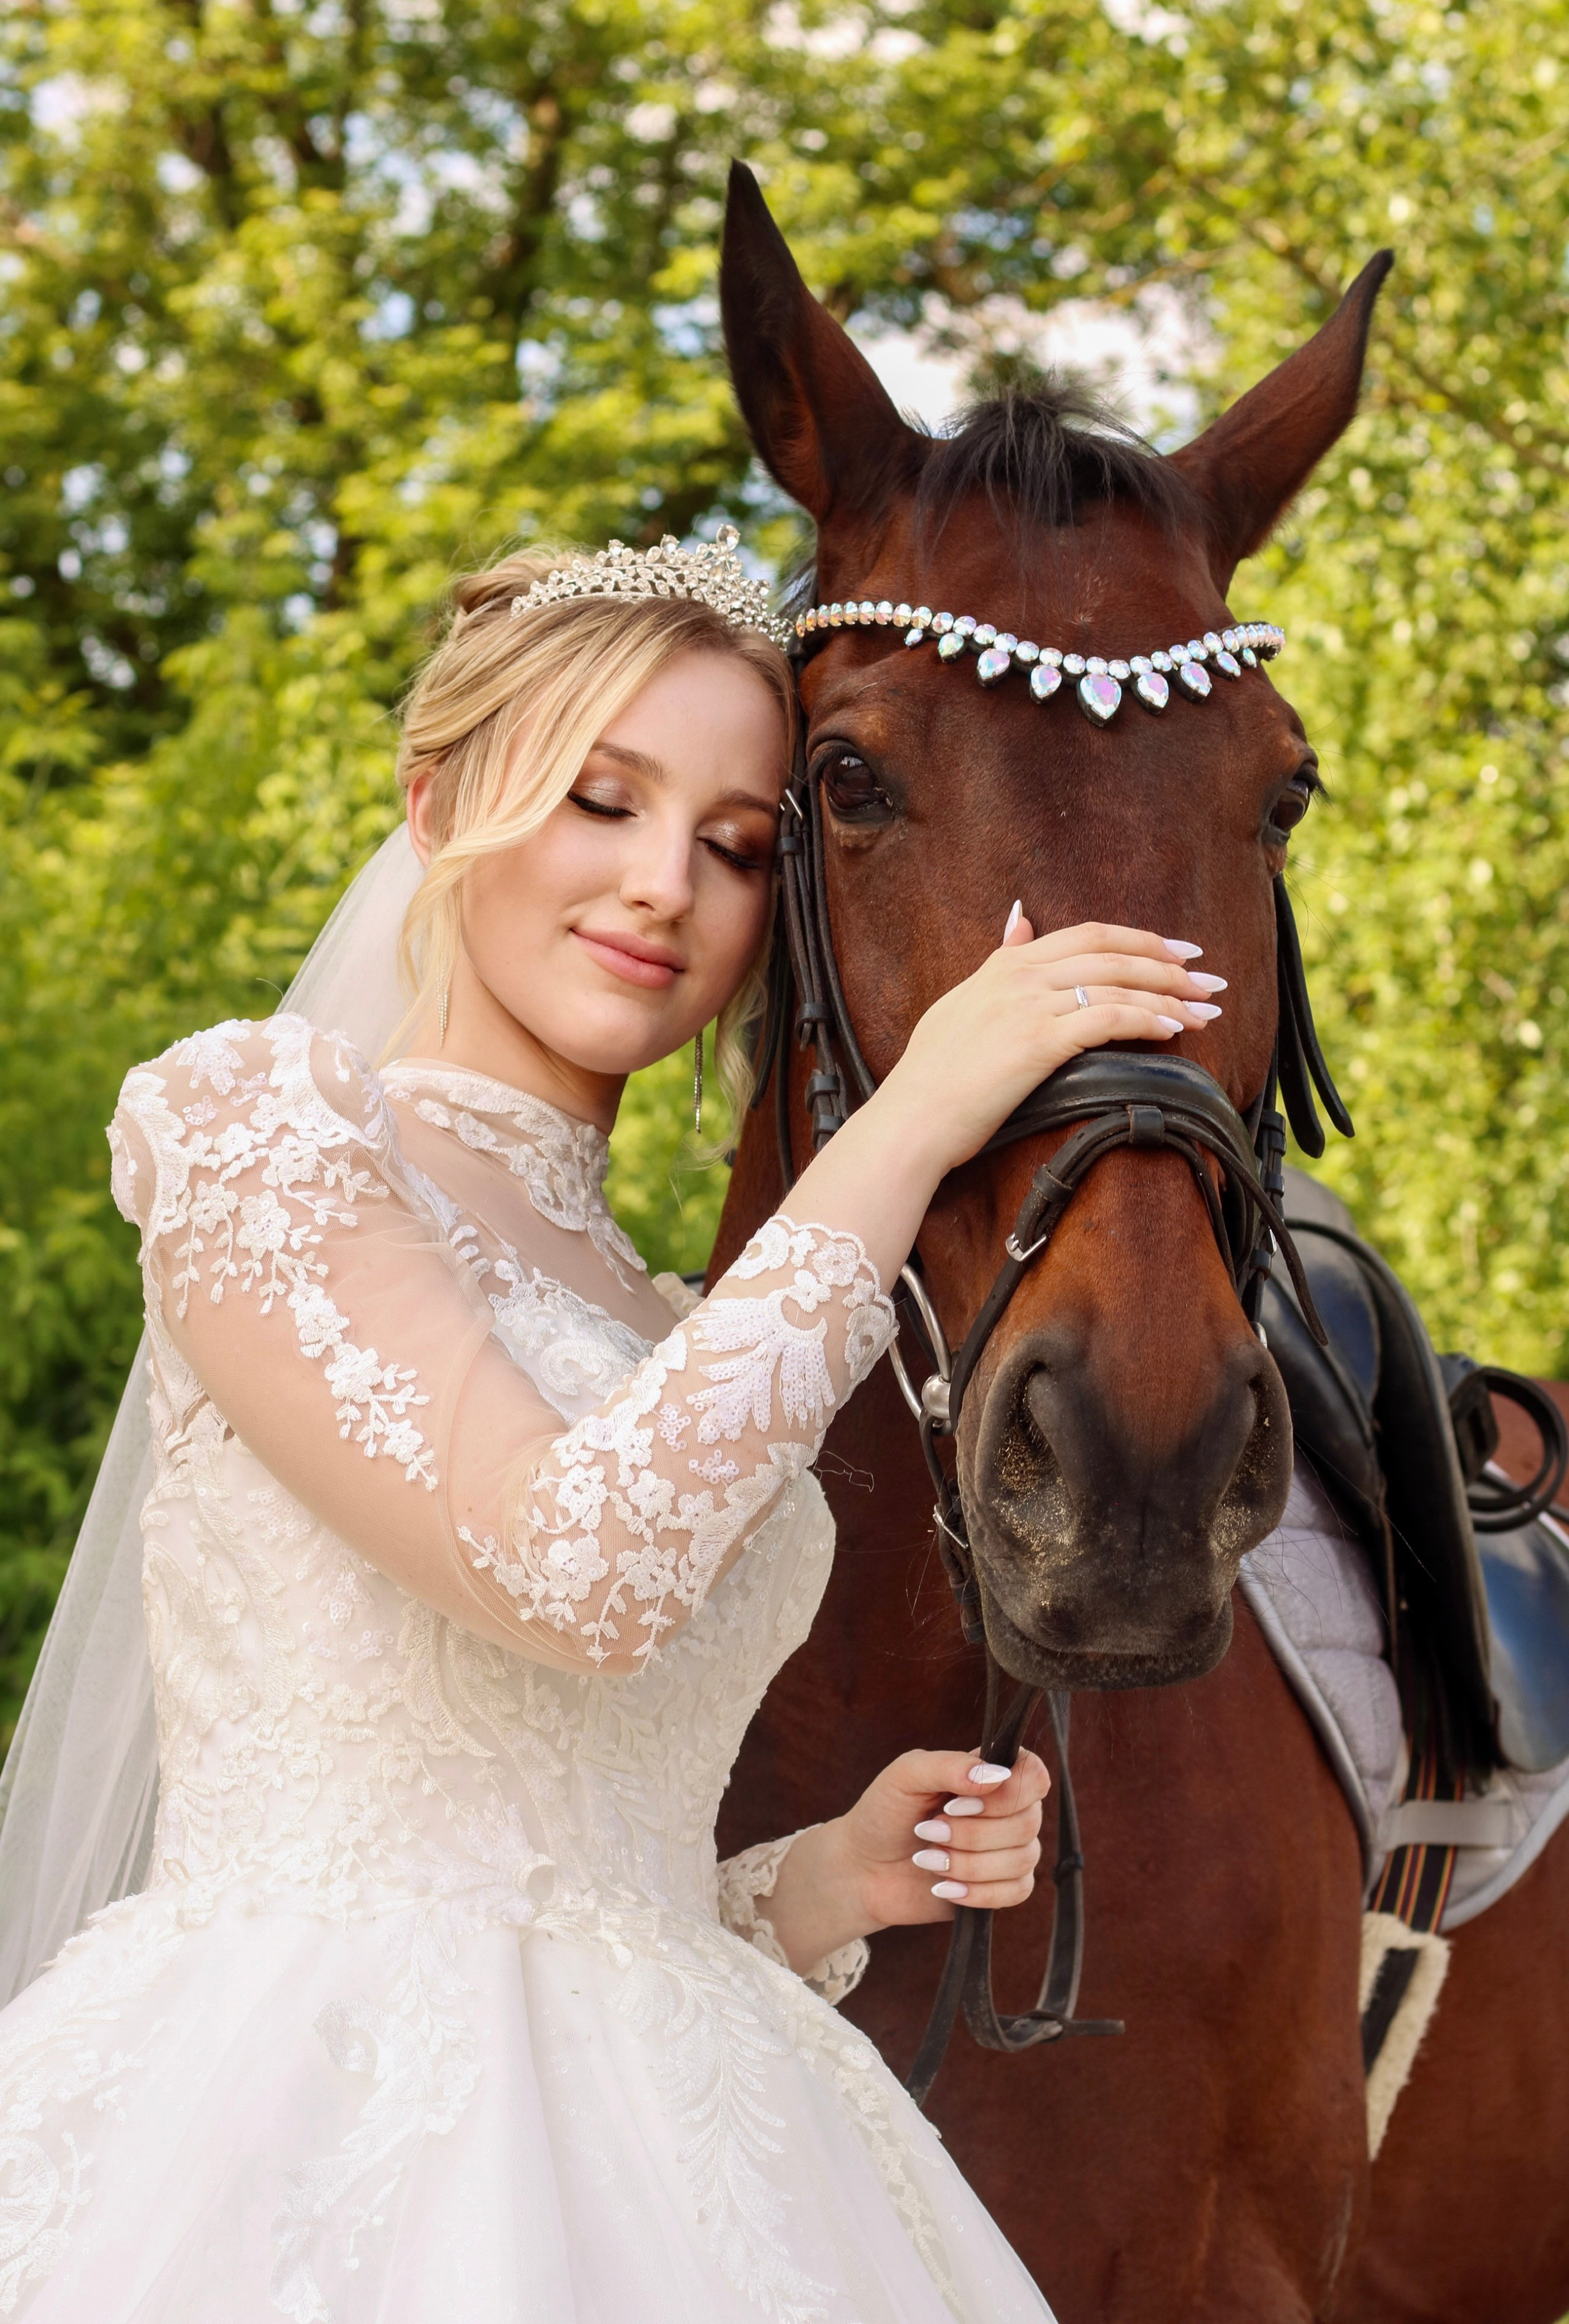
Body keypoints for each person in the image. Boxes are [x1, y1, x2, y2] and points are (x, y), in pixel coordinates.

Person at [0, 526, 1220, 2322]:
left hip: (705, 2143)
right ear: (435, 809)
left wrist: (819, 1880)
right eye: (599, 800)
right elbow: (572, 1568)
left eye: (736, 848)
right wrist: (916, 1122)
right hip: (300, 2125)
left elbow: (587, 1870)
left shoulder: (674, 1321)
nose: (667, 887)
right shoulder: (263, 1134)